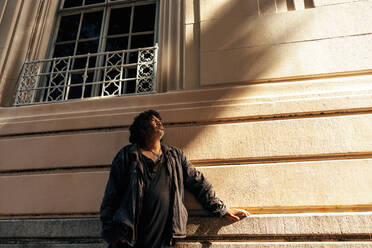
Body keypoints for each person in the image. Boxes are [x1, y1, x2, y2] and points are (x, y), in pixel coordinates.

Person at [100, 110, 249, 248]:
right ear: (142, 128)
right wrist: (111, 235)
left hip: (166, 238)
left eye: (160, 120)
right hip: (131, 238)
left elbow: (197, 182)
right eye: (153, 120)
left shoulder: (175, 156)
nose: (159, 122)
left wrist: (221, 209)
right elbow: (112, 195)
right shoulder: (127, 155)